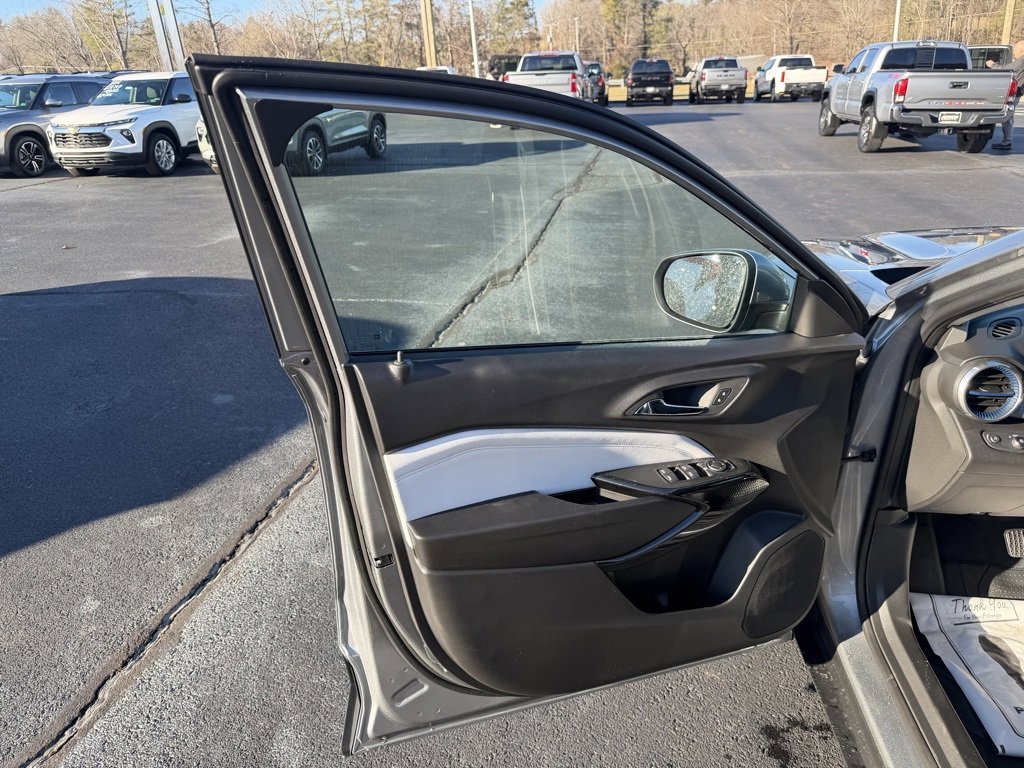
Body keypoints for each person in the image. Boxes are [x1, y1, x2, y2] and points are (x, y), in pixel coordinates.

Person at [992, 40, 1024, 151]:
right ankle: (1007, 141)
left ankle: (1007, 141)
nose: (1014, 52)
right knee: (1009, 115)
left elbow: (1007, 68)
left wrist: (993, 65)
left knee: (1008, 115)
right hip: (1017, 90)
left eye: (1015, 50)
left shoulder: (1021, 60)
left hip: (1016, 91)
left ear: (1021, 50)